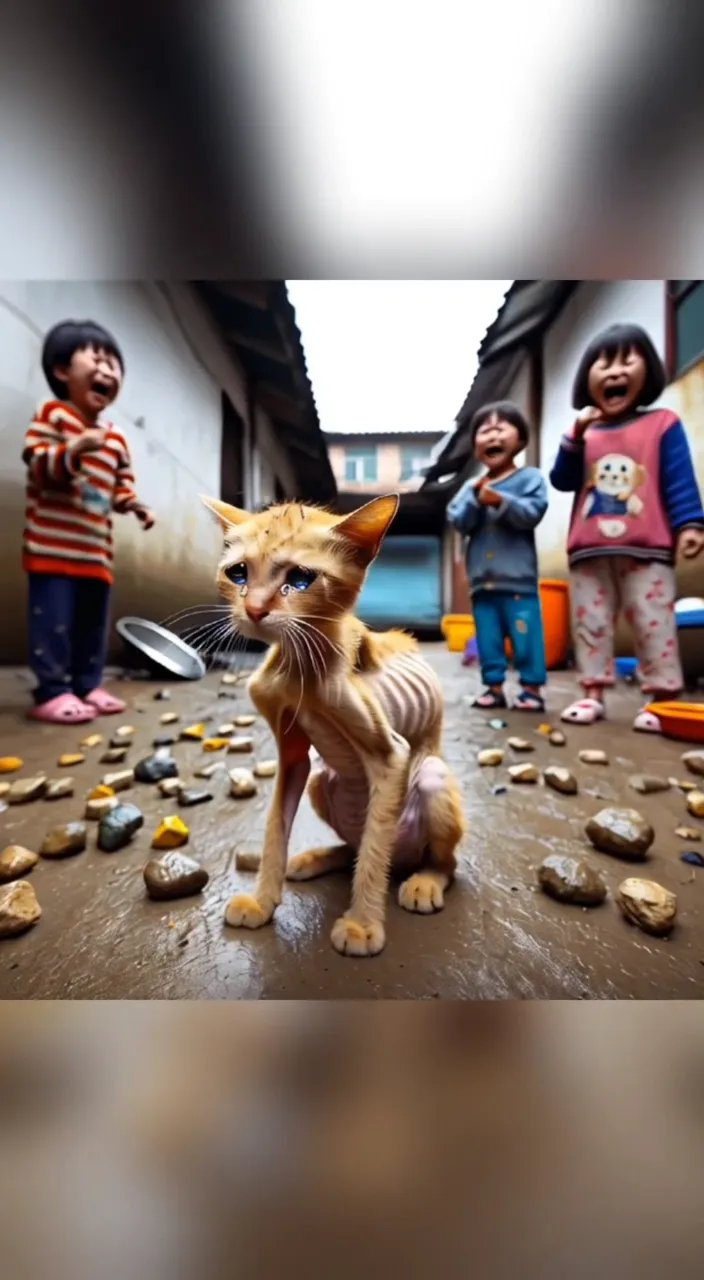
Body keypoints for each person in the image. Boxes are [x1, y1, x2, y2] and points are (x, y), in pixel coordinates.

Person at [549, 321, 704, 732]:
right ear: (587, 380)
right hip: (588, 551)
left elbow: (678, 477)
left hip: (649, 547)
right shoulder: (582, 433)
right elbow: (562, 479)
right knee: (591, 623)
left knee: (655, 620)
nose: (615, 372)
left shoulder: (662, 424)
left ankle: (661, 697)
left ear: (647, 370)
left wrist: (691, 524)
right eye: (603, 364)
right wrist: (574, 437)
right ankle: (592, 694)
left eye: (626, 361)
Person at [23, 319, 155, 724]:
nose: (107, 370)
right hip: (51, 550)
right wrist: (75, 447)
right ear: (63, 371)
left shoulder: (116, 439)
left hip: (96, 553)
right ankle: (52, 691)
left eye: (114, 365)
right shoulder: (53, 415)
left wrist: (135, 506)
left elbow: (120, 488)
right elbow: (39, 465)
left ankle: (86, 684)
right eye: (96, 360)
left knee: (91, 627)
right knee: (54, 626)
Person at [447, 401, 548, 712]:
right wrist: (478, 499)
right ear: (476, 445)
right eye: (484, 430)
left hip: (519, 581)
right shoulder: (470, 487)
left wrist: (500, 500)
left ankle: (531, 689)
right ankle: (493, 687)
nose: (492, 435)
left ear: (519, 439)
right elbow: (457, 519)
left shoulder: (529, 478)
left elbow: (532, 513)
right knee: (488, 639)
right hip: (481, 582)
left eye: (500, 428)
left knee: (526, 637)